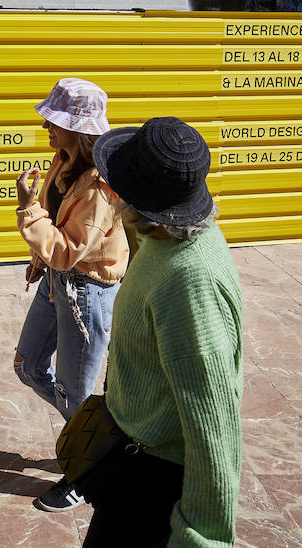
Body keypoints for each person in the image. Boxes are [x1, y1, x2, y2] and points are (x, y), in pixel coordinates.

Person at [85, 116, 243, 547]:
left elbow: (213, 421)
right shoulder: (162, 240)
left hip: (154, 482)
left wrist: (202, 538)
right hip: (131, 457)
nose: (106, 187)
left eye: (114, 183)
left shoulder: (189, 283)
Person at [12, 78, 128, 513]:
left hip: (88, 293)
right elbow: (57, 241)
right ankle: (92, 440)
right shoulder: (63, 161)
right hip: (59, 282)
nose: (46, 127)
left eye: (54, 122)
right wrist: (41, 261)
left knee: (74, 392)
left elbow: (66, 248)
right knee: (27, 368)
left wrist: (27, 207)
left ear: (79, 130)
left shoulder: (99, 189)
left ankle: (87, 469)